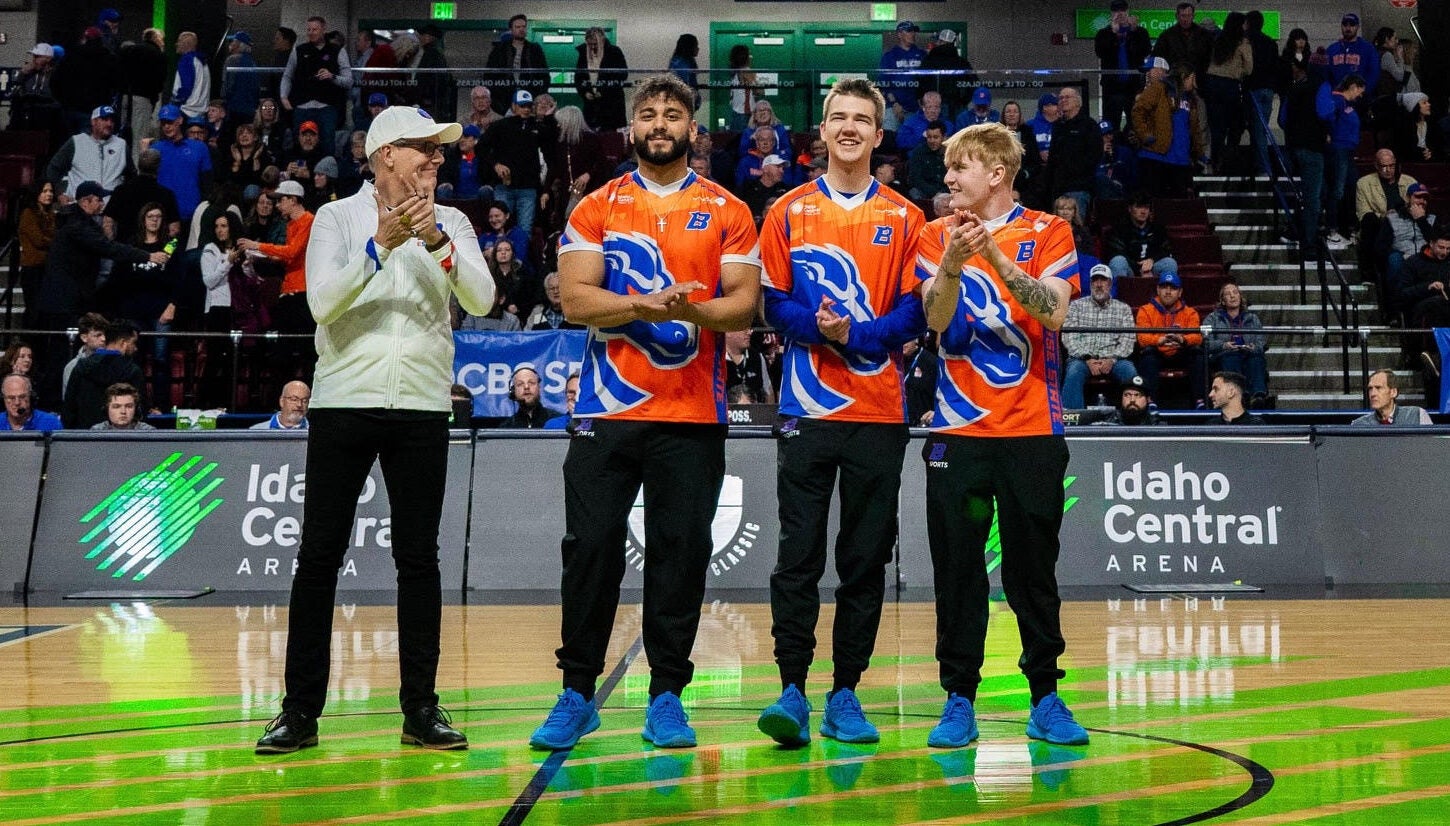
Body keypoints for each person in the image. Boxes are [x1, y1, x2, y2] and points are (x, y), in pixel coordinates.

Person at [527, 74, 760, 752]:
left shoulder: (726, 209)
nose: (660, 122)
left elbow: (743, 305)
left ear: (694, 128)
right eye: (648, 113)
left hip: (692, 414)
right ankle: (577, 692)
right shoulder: (597, 205)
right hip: (607, 411)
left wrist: (685, 310)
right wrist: (650, 305)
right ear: (631, 127)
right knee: (591, 550)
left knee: (679, 555)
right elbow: (575, 301)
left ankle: (666, 696)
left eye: (674, 113)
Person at [254, 105, 494, 755]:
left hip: (421, 407)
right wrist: (381, 246)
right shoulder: (336, 218)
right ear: (387, 153)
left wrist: (438, 243)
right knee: (319, 559)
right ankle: (298, 712)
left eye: (440, 151)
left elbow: (482, 298)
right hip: (343, 404)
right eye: (425, 148)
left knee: (418, 561)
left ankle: (421, 710)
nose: (437, 159)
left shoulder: (455, 222)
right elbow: (323, 302)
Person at [754, 77, 926, 749]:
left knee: (863, 560)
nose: (849, 127)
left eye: (862, 119)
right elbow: (772, 302)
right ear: (821, 133)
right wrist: (819, 330)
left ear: (879, 136)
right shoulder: (788, 212)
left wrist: (857, 334)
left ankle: (846, 691)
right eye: (838, 117)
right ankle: (792, 688)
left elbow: (916, 310)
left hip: (880, 413)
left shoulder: (906, 218)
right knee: (798, 556)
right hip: (805, 410)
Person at [914, 121, 1088, 749]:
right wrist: (955, 265)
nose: (949, 178)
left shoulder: (1049, 231)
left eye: (960, 167)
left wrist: (991, 253)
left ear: (996, 173)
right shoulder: (934, 235)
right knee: (958, 570)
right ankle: (959, 698)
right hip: (957, 438)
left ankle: (1046, 696)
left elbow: (1053, 310)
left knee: (1032, 572)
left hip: (1031, 434)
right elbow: (935, 320)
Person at [236, 180, 315, 381]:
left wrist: (259, 246)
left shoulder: (309, 221)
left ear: (294, 200)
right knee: (282, 350)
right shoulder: (291, 225)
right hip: (289, 290)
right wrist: (260, 255)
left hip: (303, 292)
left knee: (304, 350)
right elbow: (288, 256)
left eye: (281, 200)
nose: (277, 205)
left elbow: (293, 251)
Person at [1061, 264, 1139, 408]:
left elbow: (1128, 341)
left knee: (1129, 371)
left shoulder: (1123, 308)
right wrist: (1087, 358)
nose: (1099, 284)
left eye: (1103, 280)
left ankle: (1131, 418)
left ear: (1110, 283)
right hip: (1082, 359)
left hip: (1115, 359)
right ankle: (1072, 421)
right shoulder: (1076, 306)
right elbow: (1069, 337)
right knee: (1074, 371)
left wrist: (1112, 359)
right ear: (1090, 284)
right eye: (1095, 280)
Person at [481, 90, 555, 236]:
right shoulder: (500, 125)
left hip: (528, 187)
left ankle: (520, 259)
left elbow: (552, 143)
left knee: (525, 230)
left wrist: (548, 118)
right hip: (504, 186)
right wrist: (496, 164)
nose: (526, 109)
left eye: (528, 106)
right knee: (499, 227)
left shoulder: (537, 126)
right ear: (514, 106)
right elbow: (481, 148)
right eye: (522, 106)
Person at [1132, 60, 1204, 199]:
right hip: (1156, 156)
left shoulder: (1191, 99)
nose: (1194, 83)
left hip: (1181, 160)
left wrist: (1198, 152)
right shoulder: (1159, 88)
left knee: (1176, 209)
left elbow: (1194, 129)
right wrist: (1145, 135)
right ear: (1184, 76)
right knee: (1155, 204)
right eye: (1192, 78)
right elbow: (1138, 111)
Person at [280, 17, 352, 154]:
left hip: (327, 108)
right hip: (302, 106)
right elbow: (287, 76)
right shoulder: (298, 50)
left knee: (327, 145)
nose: (311, 32)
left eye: (315, 29)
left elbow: (349, 81)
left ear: (323, 29)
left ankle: (325, 174)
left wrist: (332, 77)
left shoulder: (338, 51)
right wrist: (284, 97)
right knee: (299, 146)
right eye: (308, 29)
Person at [1134, 270, 1204, 407]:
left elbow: (1198, 337)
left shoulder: (1190, 312)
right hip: (1157, 352)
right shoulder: (1145, 310)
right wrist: (1159, 341)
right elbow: (1142, 338)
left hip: (1180, 352)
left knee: (1197, 352)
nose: (1168, 291)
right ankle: (1150, 400)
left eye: (1173, 288)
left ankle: (1200, 400)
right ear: (1158, 290)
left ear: (1180, 292)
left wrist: (1183, 340)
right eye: (1164, 287)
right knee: (1148, 354)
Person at [63, 318, 145, 429]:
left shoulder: (81, 367)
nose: (135, 348)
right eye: (133, 343)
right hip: (123, 441)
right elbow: (140, 411)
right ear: (123, 343)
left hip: (84, 439)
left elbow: (69, 409)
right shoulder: (133, 372)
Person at [1318, 74, 1366, 251]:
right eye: (1360, 91)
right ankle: (1332, 230)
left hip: (1346, 151)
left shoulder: (1347, 104)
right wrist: (1329, 134)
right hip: (1339, 150)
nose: (1360, 96)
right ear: (1353, 86)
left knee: (1350, 187)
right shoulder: (1338, 100)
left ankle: (1348, 227)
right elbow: (1327, 117)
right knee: (1337, 190)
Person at [45, 105, 131, 203]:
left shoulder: (121, 145)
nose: (109, 123)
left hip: (110, 208)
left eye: (112, 120)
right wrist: (59, 193)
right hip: (78, 206)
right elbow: (53, 168)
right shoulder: (77, 141)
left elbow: (131, 175)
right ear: (93, 121)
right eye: (104, 119)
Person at [1201, 12, 1252, 173]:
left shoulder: (1218, 39)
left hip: (1211, 84)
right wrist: (1239, 71)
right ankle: (1230, 160)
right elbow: (1249, 68)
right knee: (1236, 124)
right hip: (1229, 85)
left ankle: (1215, 162)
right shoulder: (1242, 42)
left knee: (1217, 127)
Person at [152, 103, 214, 233]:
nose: (166, 126)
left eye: (170, 122)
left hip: (192, 216)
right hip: (164, 217)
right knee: (168, 250)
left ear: (179, 120)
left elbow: (207, 183)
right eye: (163, 123)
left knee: (190, 251)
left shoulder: (199, 148)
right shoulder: (155, 149)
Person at [1206, 281, 1269, 405]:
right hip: (1225, 354)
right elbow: (1206, 342)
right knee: (1231, 357)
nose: (1232, 296)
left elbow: (1261, 341)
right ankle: (1241, 395)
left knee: (1256, 358)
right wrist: (1223, 345)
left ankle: (1258, 396)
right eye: (1228, 294)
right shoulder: (1213, 318)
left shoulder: (1252, 318)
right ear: (1223, 301)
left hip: (1248, 352)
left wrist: (1253, 347)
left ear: (1240, 297)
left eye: (1235, 293)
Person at [1094, 0, 1152, 134]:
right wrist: (1114, 34)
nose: (1120, 14)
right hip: (1112, 88)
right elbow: (1101, 52)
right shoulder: (1103, 34)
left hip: (1134, 87)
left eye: (1123, 11)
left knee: (1136, 124)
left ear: (1128, 12)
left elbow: (1145, 51)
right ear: (1111, 14)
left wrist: (1133, 32)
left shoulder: (1140, 32)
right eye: (1116, 11)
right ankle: (1111, 152)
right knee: (1110, 125)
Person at [1043, 87, 1097, 218]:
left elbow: (1094, 156)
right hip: (1057, 188)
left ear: (1078, 101)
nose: (1063, 100)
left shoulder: (1089, 125)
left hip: (1079, 188)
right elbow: (1052, 158)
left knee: (1075, 229)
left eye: (1067, 97)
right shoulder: (1057, 126)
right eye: (1061, 98)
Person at [485, 15, 549, 114]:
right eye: (518, 27)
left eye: (523, 27)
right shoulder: (499, 50)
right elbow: (489, 75)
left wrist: (539, 94)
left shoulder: (535, 49)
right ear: (511, 29)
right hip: (505, 97)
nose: (521, 29)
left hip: (530, 95)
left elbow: (544, 74)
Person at [1106, 193, 1178, 280]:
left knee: (1170, 263)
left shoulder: (1157, 229)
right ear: (1130, 209)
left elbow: (1166, 250)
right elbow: (1116, 252)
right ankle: (1121, 293)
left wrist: (1152, 260)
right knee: (1118, 261)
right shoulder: (1119, 229)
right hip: (1130, 269)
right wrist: (1138, 267)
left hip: (1151, 267)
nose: (1143, 211)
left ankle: (1166, 292)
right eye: (1139, 207)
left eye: (1146, 208)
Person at [17, 183, 57, 331]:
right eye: (44, 191)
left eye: (51, 191)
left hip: (46, 268)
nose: (49, 194)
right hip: (33, 269)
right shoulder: (28, 214)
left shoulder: (51, 215)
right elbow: (38, 239)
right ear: (36, 194)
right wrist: (55, 241)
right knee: (34, 310)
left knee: (45, 311)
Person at [575, 27, 628, 131]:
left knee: (611, 138)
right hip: (591, 105)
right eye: (590, 44)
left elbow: (622, 75)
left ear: (603, 41)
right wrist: (584, 92)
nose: (593, 47)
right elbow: (579, 77)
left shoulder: (614, 52)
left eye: (596, 44)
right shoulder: (583, 53)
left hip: (611, 105)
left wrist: (604, 91)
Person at [879, 21, 927, 128]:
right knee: (889, 139)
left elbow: (928, 81)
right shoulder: (890, 56)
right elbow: (883, 83)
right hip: (893, 108)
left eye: (914, 31)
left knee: (915, 141)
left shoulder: (922, 55)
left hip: (917, 108)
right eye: (909, 31)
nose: (913, 34)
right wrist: (894, 103)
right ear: (899, 34)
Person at [1152, 2, 1213, 81]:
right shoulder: (1166, 35)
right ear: (1177, 16)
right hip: (1173, 79)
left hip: (1199, 79)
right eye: (1183, 16)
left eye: (1189, 15)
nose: (1186, 19)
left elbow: (1211, 56)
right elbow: (1157, 56)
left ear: (1193, 16)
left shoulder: (1205, 35)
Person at [1351, 368, 1433, 425]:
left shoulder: (1417, 415)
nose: (1373, 394)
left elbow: (1432, 447)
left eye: (1378, 388)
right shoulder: (1359, 424)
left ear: (1393, 392)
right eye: (1370, 388)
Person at [1326, 13, 1378, 97]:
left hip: (1360, 98)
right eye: (1345, 24)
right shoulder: (1332, 49)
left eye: (1352, 25)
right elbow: (1326, 74)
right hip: (1336, 98)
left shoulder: (1368, 49)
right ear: (1341, 26)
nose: (1348, 28)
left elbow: (1373, 74)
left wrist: (1363, 93)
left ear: (1357, 27)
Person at [223, 31, 260, 126]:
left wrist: (223, 100)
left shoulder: (232, 60)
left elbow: (228, 85)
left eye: (233, 42)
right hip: (249, 108)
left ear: (239, 45)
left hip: (235, 108)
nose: (230, 44)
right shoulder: (252, 62)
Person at [171, 32, 210, 119]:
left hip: (186, 110)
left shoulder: (187, 60)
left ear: (186, 44)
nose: (176, 44)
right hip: (200, 112)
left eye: (179, 41)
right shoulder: (202, 62)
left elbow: (186, 87)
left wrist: (176, 103)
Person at [907, 121, 949, 201]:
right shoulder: (919, 152)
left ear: (944, 137)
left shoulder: (951, 154)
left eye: (936, 137)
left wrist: (942, 194)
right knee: (914, 192)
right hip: (925, 192)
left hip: (946, 192)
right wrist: (935, 193)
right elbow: (915, 178)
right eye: (929, 137)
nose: (932, 141)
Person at [90, 382, 154, 431]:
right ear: (107, 409)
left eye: (129, 406)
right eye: (116, 406)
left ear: (136, 409)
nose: (123, 411)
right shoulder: (96, 431)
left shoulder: (148, 432)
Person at [668, 34, 701, 109]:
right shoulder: (680, 63)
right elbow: (684, 85)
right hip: (682, 102)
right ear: (690, 47)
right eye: (696, 46)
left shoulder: (687, 61)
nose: (698, 49)